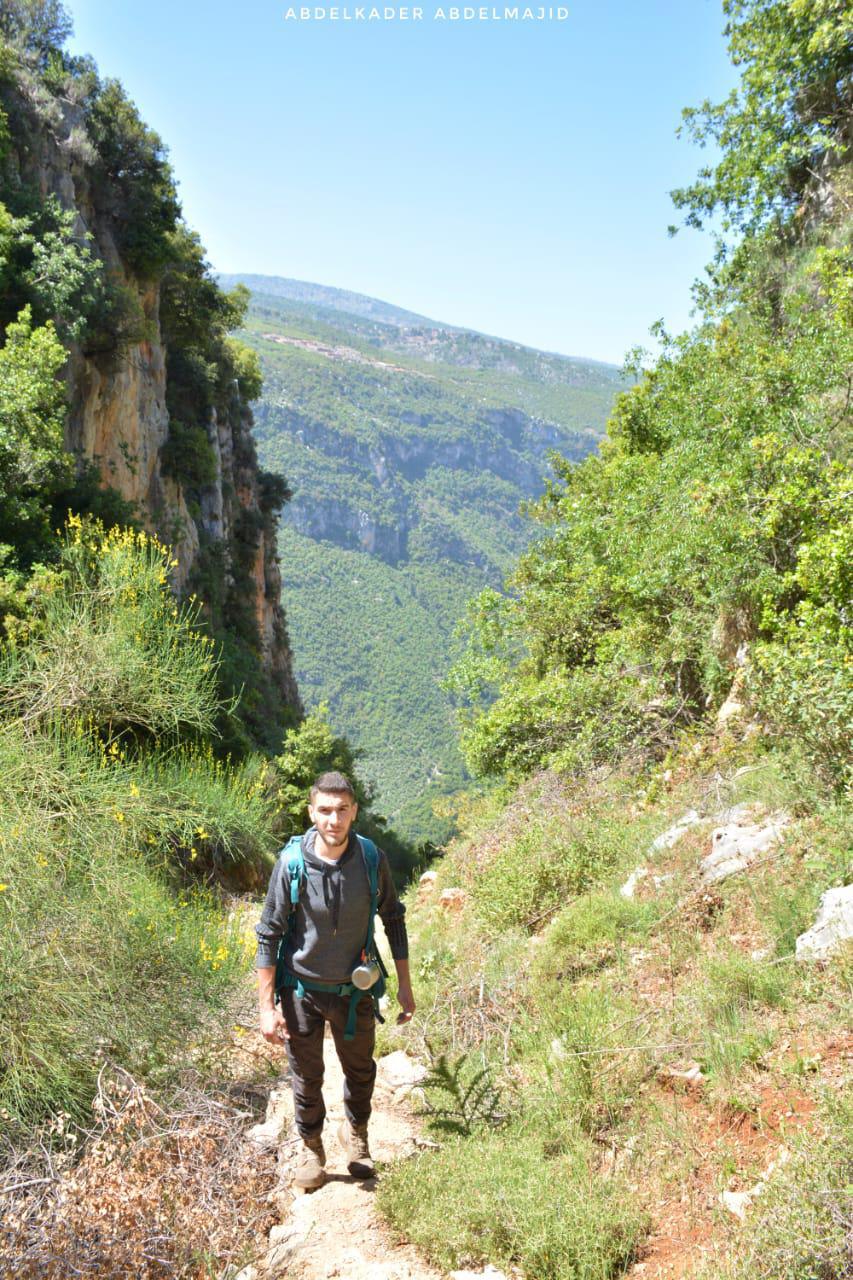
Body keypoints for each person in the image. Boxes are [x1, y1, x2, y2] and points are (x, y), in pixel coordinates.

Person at [255, 770, 416, 1190]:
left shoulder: (369, 859)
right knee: (306, 1075)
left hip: (354, 990)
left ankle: (356, 1136)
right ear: (311, 812)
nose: (333, 819)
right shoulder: (291, 864)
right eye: (324, 810)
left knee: (360, 1070)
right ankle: (311, 1147)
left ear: (354, 812)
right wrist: (266, 1008)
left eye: (342, 810)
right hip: (301, 990)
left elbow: (393, 917)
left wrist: (405, 985)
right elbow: (268, 935)